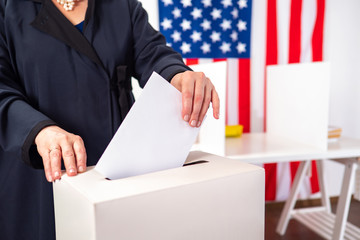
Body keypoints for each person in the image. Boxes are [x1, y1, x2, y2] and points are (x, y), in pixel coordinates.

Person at [0, 0, 219, 239]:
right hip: (40, 170)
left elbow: (155, 55)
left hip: (114, 168)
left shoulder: (122, 6)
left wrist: (178, 75)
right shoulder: (7, 9)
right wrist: (40, 130)